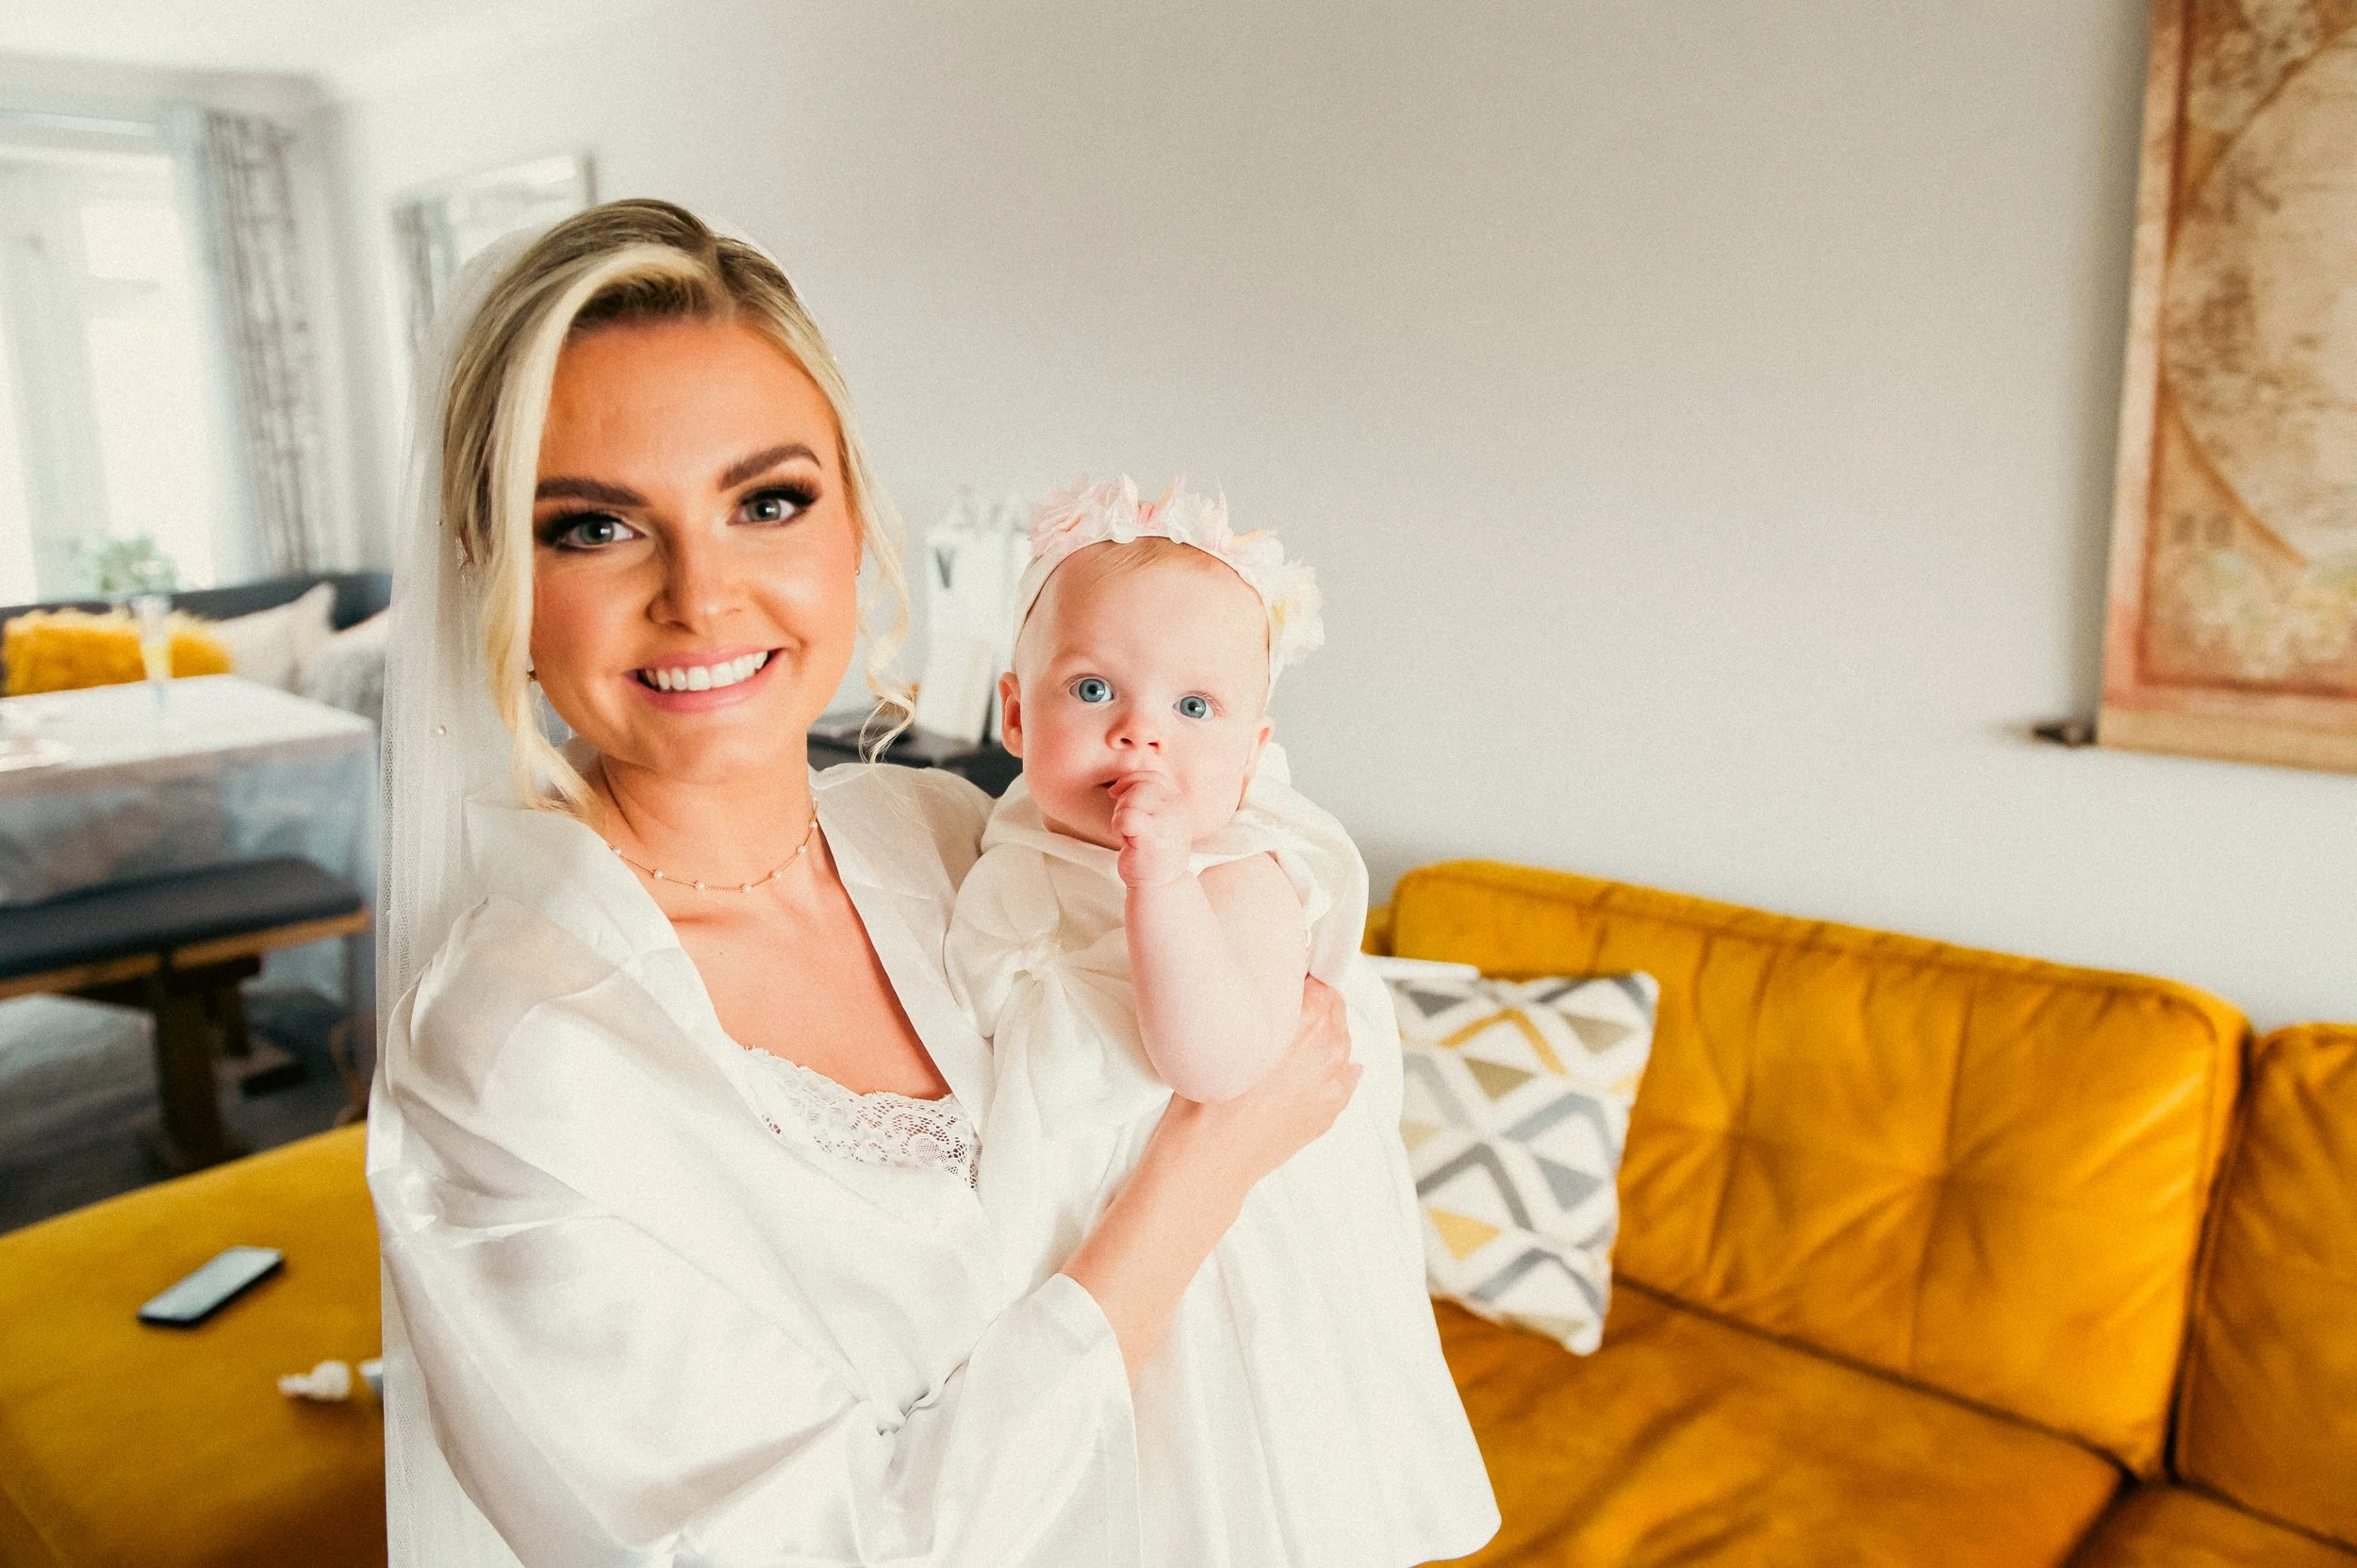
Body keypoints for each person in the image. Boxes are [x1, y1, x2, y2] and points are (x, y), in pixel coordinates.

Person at [366, 199, 1361, 1566]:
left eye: (767, 501)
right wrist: (1212, 1165)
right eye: (597, 527)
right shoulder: (514, 1058)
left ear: (850, 525)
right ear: (493, 577)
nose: (704, 595)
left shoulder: (953, 833)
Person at [947, 478, 1497, 1566]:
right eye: (1094, 687)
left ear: (1252, 748)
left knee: (1192, 1501)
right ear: (1015, 715)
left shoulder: (1239, 869)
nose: (1141, 734)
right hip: (1065, 1243)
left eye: (1194, 710)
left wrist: (1161, 884)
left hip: (1210, 1267)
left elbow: (1223, 1061)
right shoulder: (1005, 836)